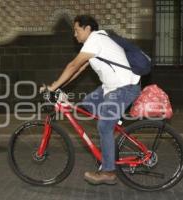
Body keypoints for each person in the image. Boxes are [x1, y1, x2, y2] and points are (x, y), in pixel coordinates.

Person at [40, 15, 141, 185]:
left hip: (124, 88)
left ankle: (108, 172)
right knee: (86, 105)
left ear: (88, 29)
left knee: (104, 126)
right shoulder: (95, 42)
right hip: (110, 87)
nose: (74, 34)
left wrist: (52, 88)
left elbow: (72, 65)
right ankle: (110, 132)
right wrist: (58, 88)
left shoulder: (95, 39)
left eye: (77, 30)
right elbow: (78, 70)